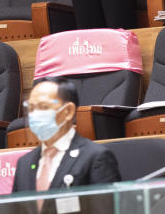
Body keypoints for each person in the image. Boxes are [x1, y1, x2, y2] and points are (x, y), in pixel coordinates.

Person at [12, 77, 120, 213]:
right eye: (31, 108)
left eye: (44, 107)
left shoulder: (95, 157)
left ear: (68, 111)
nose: (35, 114)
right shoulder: (24, 163)